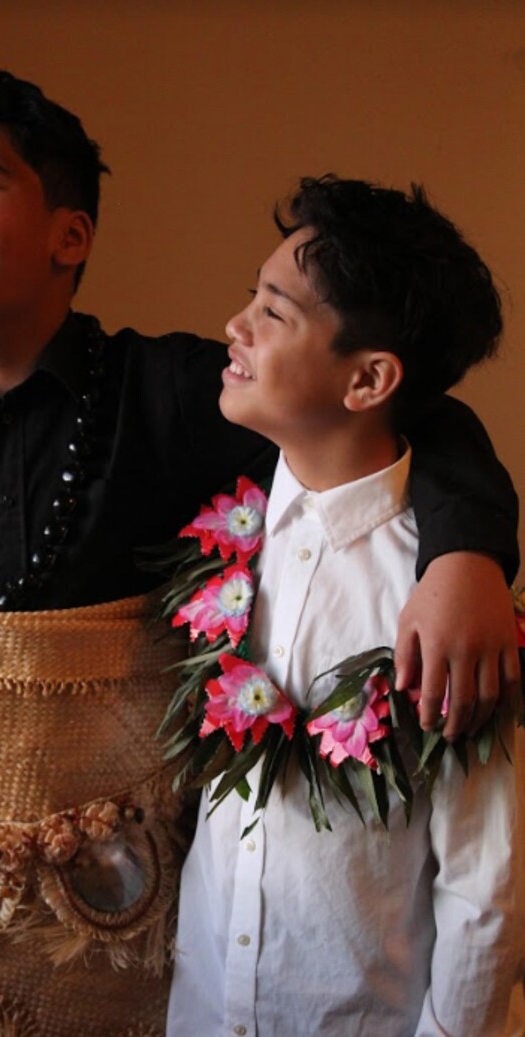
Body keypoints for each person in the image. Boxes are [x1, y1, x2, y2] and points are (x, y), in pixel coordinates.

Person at [0, 66, 520, 1036]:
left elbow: (403, 416)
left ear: (71, 233)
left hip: (127, 962)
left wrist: (465, 554)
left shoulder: (173, 398)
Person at [166, 175, 524, 1037]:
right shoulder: (225, 528)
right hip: (204, 1008)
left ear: (367, 379)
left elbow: (484, 879)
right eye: (250, 296)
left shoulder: (440, 601)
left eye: (274, 313)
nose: (235, 325)